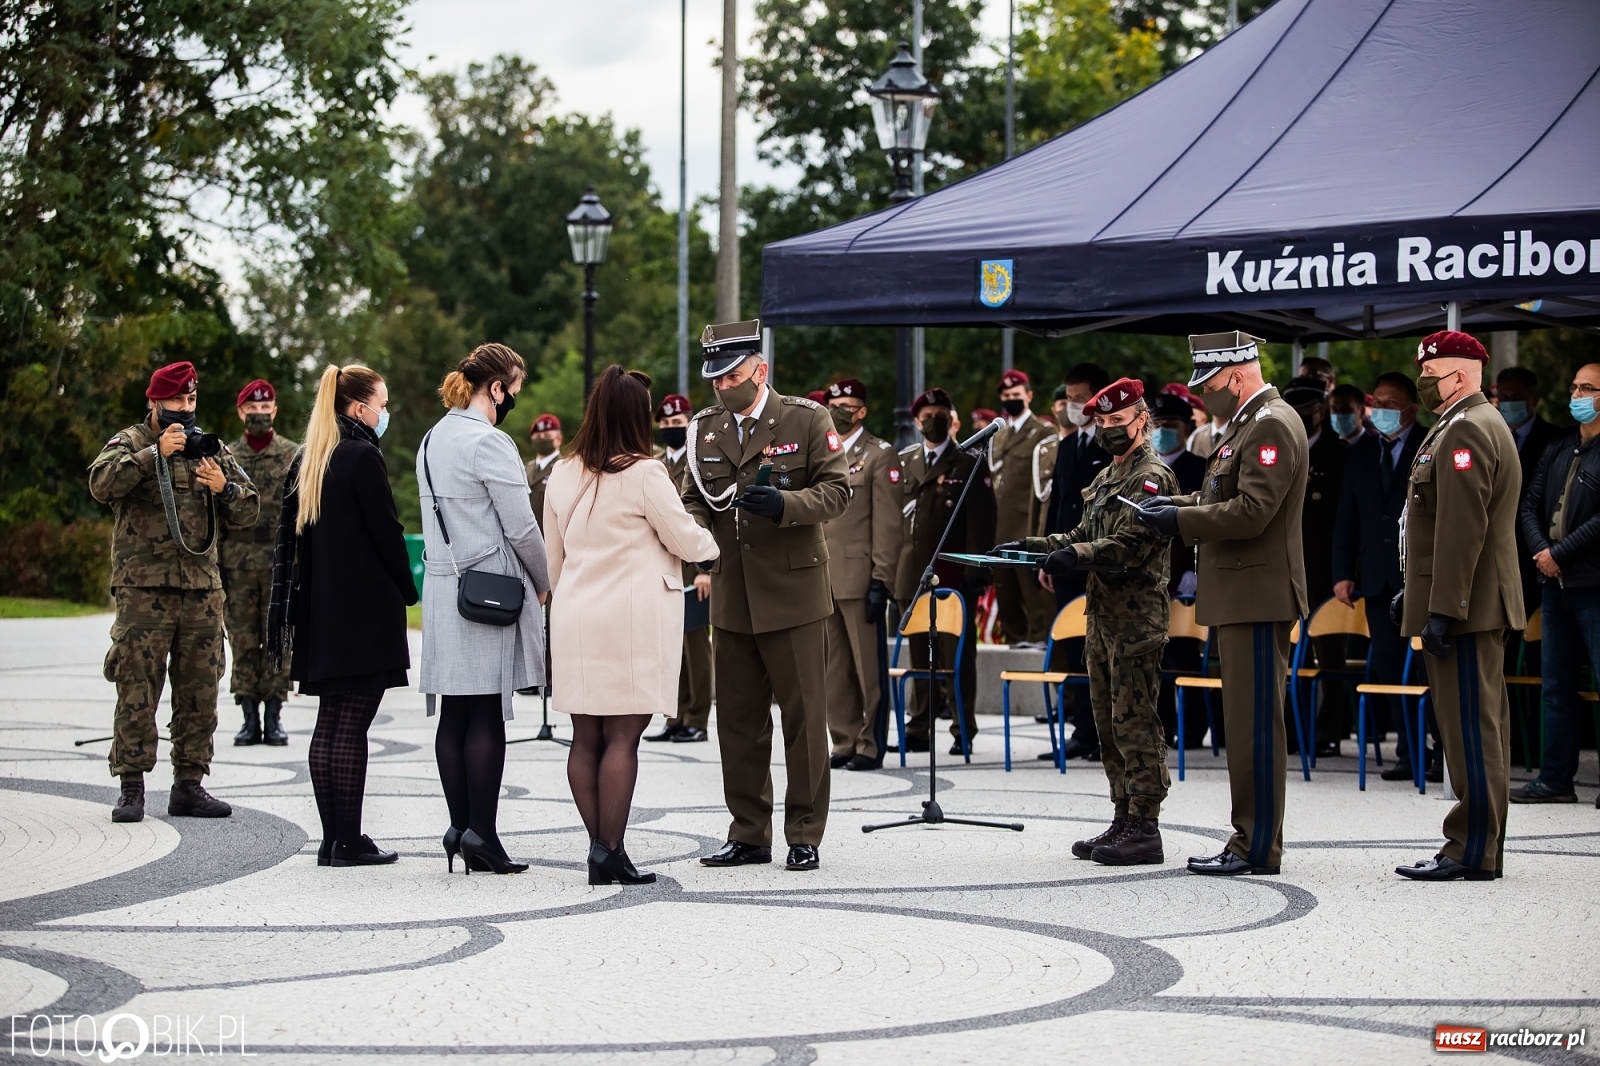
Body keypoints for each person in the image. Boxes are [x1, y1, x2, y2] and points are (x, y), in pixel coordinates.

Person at [1133, 331, 1308, 876]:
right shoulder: (1246, 423)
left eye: (1207, 385)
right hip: (1242, 594)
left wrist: (1181, 521)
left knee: (1255, 726)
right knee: (1245, 722)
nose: (1203, 395)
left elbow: (1253, 510)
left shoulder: (1270, 423)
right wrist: (1173, 506)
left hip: (1257, 594)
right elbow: (1221, 497)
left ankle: (1256, 844)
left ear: (1234, 375)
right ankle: (1250, 837)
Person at [682, 320, 851, 872]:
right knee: (738, 722)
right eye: (715, 378)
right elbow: (692, 499)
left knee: (805, 721)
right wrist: (697, 538)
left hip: (794, 592)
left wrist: (786, 506)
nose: (722, 386)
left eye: (732, 376)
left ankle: (804, 832)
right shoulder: (706, 429)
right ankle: (749, 833)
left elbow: (837, 491)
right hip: (733, 594)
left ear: (760, 371)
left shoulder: (807, 419)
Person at [545, 366, 720, 884]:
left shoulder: (563, 472)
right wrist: (713, 546)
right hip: (630, 619)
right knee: (624, 737)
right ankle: (609, 849)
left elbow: (553, 559)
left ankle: (601, 849)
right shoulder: (646, 473)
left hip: (576, 615)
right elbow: (684, 538)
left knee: (585, 737)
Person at [1008, 379, 1176, 865]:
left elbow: (1130, 545)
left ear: (1141, 421)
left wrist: (1074, 556)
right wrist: (1031, 546)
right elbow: (1081, 532)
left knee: (1135, 722)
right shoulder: (1107, 477)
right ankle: (1122, 816)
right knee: (1107, 722)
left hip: (1136, 622)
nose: (1107, 430)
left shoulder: (1152, 477)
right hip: (1102, 618)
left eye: (1116, 421)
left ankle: (1145, 825)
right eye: (1101, 422)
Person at [89, 361, 259, 824]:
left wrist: (225, 488)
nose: (184, 408)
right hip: (144, 591)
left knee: (200, 689)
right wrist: (153, 455)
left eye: (190, 399)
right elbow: (101, 484)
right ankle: (131, 786)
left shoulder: (209, 447)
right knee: (136, 688)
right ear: (154, 401)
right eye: (176, 400)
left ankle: (189, 784)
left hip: (202, 590)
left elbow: (250, 509)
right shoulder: (130, 443)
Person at [1393, 330, 1523, 881]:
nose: (1423, 383)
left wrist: (1444, 607)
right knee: (1475, 726)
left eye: (1430, 374)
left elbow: (1461, 528)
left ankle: (1471, 848)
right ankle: (1478, 845)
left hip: (1469, 605)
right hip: (1468, 599)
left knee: (1472, 729)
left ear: (1461, 375)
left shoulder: (1468, 427)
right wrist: (1418, 591)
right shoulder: (1459, 423)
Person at [418, 343, 552, 875]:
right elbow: (521, 526)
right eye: (512, 390)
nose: (513, 399)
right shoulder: (490, 442)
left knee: (455, 710)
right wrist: (544, 579)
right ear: (495, 388)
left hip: (443, 586)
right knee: (486, 713)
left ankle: (459, 827)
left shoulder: (432, 438)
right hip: (488, 588)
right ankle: (484, 835)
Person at [277, 364, 417, 867]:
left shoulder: (312, 457)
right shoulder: (361, 455)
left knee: (331, 722)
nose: (385, 413)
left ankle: (331, 839)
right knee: (352, 726)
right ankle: (349, 841)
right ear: (359, 408)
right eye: (382, 405)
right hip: (363, 613)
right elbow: (386, 531)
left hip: (322, 613)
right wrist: (409, 589)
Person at [1332, 372, 1441, 781]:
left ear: (1412, 408)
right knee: (1390, 667)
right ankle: (1409, 753)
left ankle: (1443, 752)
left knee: (1430, 670)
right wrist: (1343, 572)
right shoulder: (1361, 452)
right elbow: (1347, 517)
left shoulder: (1430, 444)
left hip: (1420, 577)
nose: (1381, 410)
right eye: (1376, 403)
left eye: (1391, 404)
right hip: (1377, 579)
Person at [892, 387, 996, 757]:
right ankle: (919, 725)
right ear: (916, 421)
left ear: (952, 420)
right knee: (919, 656)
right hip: (911, 573)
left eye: (940, 416)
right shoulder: (905, 461)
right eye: (927, 416)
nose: (933, 421)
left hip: (953, 575)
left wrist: (976, 572)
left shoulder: (968, 463)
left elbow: (982, 522)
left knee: (957, 658)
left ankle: (962, 727)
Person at [1515, 363, 1600, 806]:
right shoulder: (1559, 447)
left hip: (1592, 582)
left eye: (1588, 388)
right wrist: (1541, 551)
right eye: (1574, 387)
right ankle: (1555, 779)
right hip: (1553, 583)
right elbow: (1529, 503)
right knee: (1555, 686)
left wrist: (1559, 553)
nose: (1578, 395)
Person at [821, 378, 904, 771]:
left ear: (862, 411)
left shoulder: (879, 455)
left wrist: (881, 578)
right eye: (834, 405)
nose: (839, 411)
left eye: (848, 406)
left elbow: (888, 525)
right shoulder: (823, 452)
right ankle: (844, 739)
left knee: (868, 668)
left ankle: (870, 744)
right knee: (834, 668)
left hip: (860, 577)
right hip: (824, 577)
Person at [222, 379, 298, 748]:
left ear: (275, 411)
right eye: (252, 409)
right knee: (242, 640)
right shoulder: (226, 457)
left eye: (265, 408)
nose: (259, 414)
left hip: (278, 565)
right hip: (236, 564)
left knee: (278, 638)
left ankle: (274, 715)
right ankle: (249, 717)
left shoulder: (292, 455)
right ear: (241, 412)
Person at [1043, 362, 1112, 760]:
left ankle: (1104, 732)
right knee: (1073, 649)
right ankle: (1082, 728)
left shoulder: (1110, 444)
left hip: (1097, 562)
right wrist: (1046, 556)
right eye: (1069, 398)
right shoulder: (1069, 445)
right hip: (1065, 563)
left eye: (1080, 398)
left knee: (1099, 651)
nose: (1072, 406)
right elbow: (1057, 504)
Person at [1284, 375, 1348, 756]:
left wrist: (1344, 571)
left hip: (1325, 573)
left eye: (1304, 411)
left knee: (1331, 656)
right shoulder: (1282, 450)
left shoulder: (1338, 454)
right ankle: (1295, 731)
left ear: (1320, 411)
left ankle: (1329, 731)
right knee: (1292, 657)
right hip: (1288, 571)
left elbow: (1344, 519)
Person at [645, 393, 713, 744]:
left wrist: (706, 569)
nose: (672, 428)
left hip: (693, 564)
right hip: (664, 563)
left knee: (695, 646)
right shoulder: (654, 462)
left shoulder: (700, 459)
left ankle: (697, 718)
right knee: (670, 647)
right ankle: (675, 717)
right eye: (667, 423)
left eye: (678, 422)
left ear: (689, 423)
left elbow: (709, 512)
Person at [1149, 390, 1206, 750]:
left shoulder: (1199, 468)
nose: (1162, 432)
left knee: (1184, 657)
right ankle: (1163, 728)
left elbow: (1205, 520)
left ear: (1186, 428)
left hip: (1183, 575)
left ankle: (1193, 730)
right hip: (1149, 577)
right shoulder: (1143, 468)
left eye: (1170, 425)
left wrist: (1196, 571)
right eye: (1157, 425)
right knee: (1154, 658)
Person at [988, 370, 1057, 646]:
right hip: (1000, 523)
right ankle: (1014, 640)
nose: (1011, 399)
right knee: (1005, 592)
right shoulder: (998, 434)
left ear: (1029, 396)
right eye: (1006, 396)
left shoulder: (1043, 432)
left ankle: (1038, 638)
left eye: (1016, 394)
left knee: (1031, 590)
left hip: (1025, 523)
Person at [525, 414, 563, 531]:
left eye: (547, 436)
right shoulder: (526, 468)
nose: (541, 439)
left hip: (552, 533)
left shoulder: (564, 468)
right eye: (537, 437)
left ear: (558, 439)